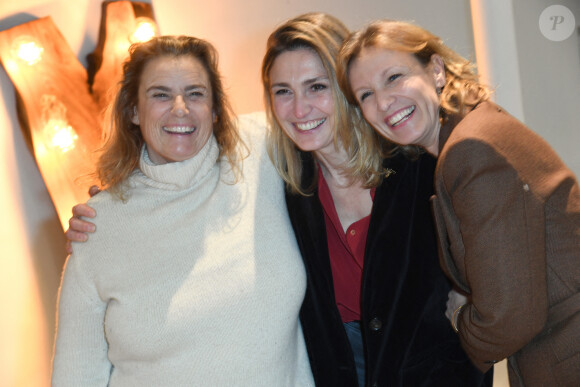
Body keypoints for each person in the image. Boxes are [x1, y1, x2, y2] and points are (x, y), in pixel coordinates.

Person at [65, 14, 490, 386]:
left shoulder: (410, 163)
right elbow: (180, 157)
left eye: (317, 86)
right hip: (336, 369)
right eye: (282, 90)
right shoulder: (276, 161)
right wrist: (117, 206)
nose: (300, 108)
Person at [52, 35, 315, 386]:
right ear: (133, 110)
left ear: (216, 108)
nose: (180, 108)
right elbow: (75, 376)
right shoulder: (98, 227)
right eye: (160, 94)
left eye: (195, 93)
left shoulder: (263, 151)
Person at [338, 19, 580, 386]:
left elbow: (509, 320)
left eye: (393, 77)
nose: (383, 102)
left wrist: (458, 317)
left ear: (436, 70)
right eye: (365, 95)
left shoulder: (470, 150)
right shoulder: (473, 130)